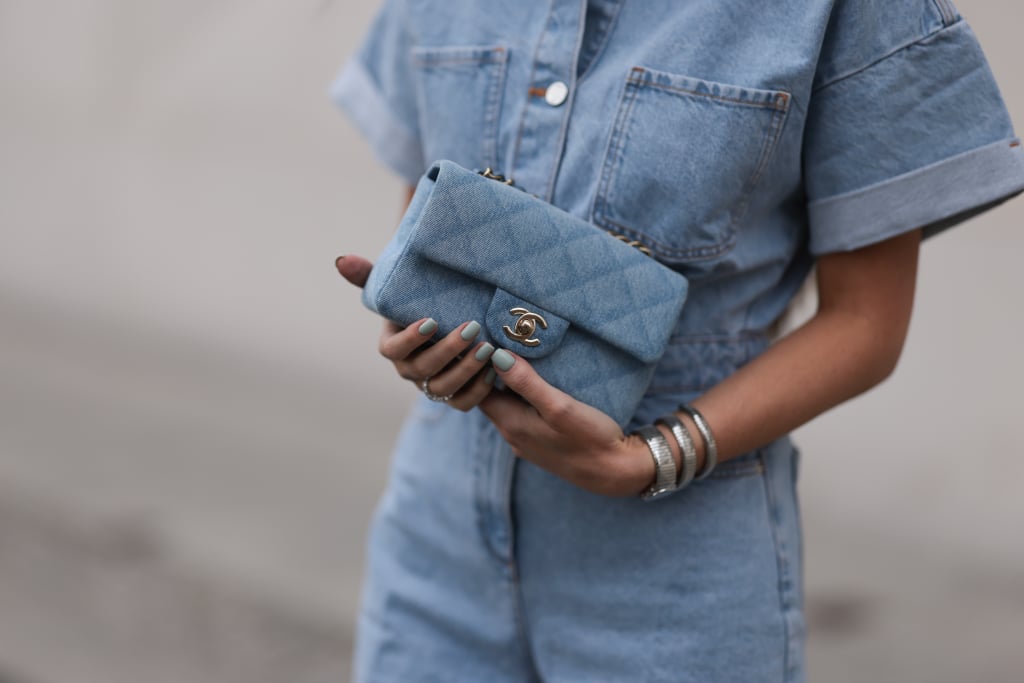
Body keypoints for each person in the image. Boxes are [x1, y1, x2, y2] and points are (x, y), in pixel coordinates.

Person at [332, 1, 1024, 681]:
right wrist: (415, 328)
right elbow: (422, 225)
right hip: (435, 545)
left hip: (675, 573)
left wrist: (652, 459)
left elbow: (866, 323)